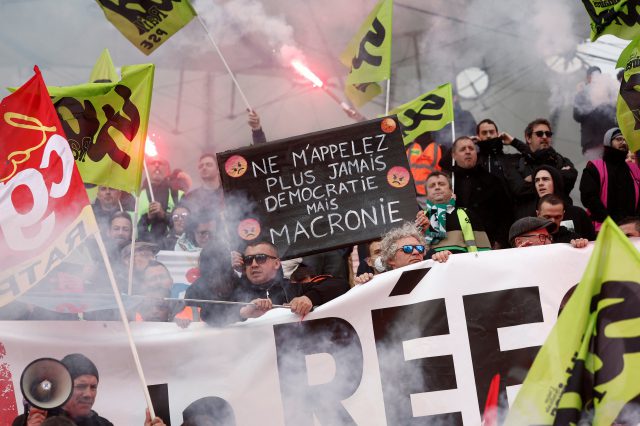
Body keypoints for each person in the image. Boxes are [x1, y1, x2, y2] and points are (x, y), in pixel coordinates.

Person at [441, 136, 513, 248]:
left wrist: (500, 241)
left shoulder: (492, 180)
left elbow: (506, 214)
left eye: (471, 148)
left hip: (489, 242)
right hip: (457, 243)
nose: (468, 151)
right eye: (463, 149)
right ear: (454, 155)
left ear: (476, 152)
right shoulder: (448, 183)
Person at [505, 118, 578, 219]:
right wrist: (555, 178)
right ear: (528, 138)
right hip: (530, 224)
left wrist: (532, 178)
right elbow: (519, 189)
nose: (544, 137)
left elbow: (572, 176)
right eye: (539, 134)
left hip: (563, 221)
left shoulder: (560, 160)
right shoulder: (516, 163)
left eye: (548, 134)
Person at [12, 353, 112, 426]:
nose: (88, 394)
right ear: (62, 387)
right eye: (81, 386)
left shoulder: (103, 424)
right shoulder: (26, 422)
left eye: (93, 387)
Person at [416, 171, 491, 263]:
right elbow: (416, 254)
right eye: (432, 186)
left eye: (441, 184)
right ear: (426, 194)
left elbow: (485, 250)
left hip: (465, 268)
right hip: (433, 273)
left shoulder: (467, 214)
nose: (437, 187)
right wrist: (424, 232)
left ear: (451, 190)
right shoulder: (420, 218)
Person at [580, 127, 640, 230]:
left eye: (625, 140)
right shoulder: (595, 167)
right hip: (603, 230)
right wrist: (609, 220)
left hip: (632, 232)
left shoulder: (635, 169)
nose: (623, 142)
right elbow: (589, 198)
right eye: (618, 139)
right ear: (608, 142)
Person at [532, 166, 595, 240]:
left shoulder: (578, 213)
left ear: (556, 182)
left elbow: (592, 244)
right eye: (537, 180)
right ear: (538, 214)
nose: (540, 183)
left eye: (545, 179)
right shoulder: (529, 217)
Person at [354, 222, 427, 285]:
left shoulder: (435, 273)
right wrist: (362, 287)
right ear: (390, 259)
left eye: (419, 248)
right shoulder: (372, 285)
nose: (416, 252)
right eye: (407, 248)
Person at [573, 66, 617, 161]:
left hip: (610, 141)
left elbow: (616, 114)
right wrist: (579, 95)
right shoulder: (582, 94)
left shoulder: (609, 93)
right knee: (596, 172)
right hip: (592, 142)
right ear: (588, 78)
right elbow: (577, 116)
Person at [138, 157, 183, 244]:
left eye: (161, 163)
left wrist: (164, 215)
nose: (157, 165)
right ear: (146, 169)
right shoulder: (136, 196)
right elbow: (131, 227)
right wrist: (148, 218)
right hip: (144, 248)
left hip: (173, 247)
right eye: (153, 163)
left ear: (167, 170)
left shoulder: (178, 195)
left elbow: (185, 226)